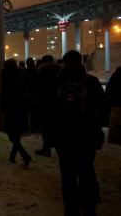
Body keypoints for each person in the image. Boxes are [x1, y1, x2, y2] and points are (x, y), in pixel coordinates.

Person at [51, 50, 105, 216]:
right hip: (87, 136)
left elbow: (49, 111)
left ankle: (71, 209)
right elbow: (102, 109)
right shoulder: (92, 81)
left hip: (64, 138)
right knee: (87, 171)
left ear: (64, 63)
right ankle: (89, 208)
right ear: (81, 62)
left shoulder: (57, 83)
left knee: (68, 176)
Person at [1, 58, 32, 168]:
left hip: (11, 109)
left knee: (11, 134)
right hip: (21, 109)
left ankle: (25, 155)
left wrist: (2, 109)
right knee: (16, 134)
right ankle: (12, 155)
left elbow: (4, 95)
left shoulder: (6, 78)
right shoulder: (21, 75)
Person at [35, 54, 60, 157]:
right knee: (57, 127)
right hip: (58, 104)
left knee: (46, 127)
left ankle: (46, 148)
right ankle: (59, 148)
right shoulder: (60, 71)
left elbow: (37, 88)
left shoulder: (41, 72)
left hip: (45, 103)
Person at [105, 66, 121, 144]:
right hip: (116, 107)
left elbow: (108, 92)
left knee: (115, 139)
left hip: (116, 108)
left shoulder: (115, 77)